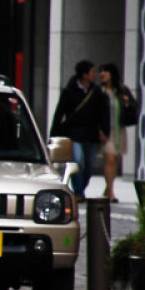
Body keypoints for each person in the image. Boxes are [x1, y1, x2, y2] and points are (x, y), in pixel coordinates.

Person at [50, 59, 109, 201]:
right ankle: (78, 192)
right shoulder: (69, 91)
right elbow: (59, 112)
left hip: (91, 134)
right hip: (73, 133)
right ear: (84, 75)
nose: (95, 74)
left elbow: (103, 113)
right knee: (77, 161)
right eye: (92, 71)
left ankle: (80, 188)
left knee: (88, 167)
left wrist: (105, 131)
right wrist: (54, 133)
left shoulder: (96, 92)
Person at [97, 62, 136, 203]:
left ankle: (108, 189)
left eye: (105, 72)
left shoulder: (121, 90)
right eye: (101, 72)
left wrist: (127, 103)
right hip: (106, 130)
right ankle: (111, 192)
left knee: (116, 160)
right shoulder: (98, 91)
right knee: (110, 159)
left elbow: (133, 105)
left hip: (119, 129)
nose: (102, 74)